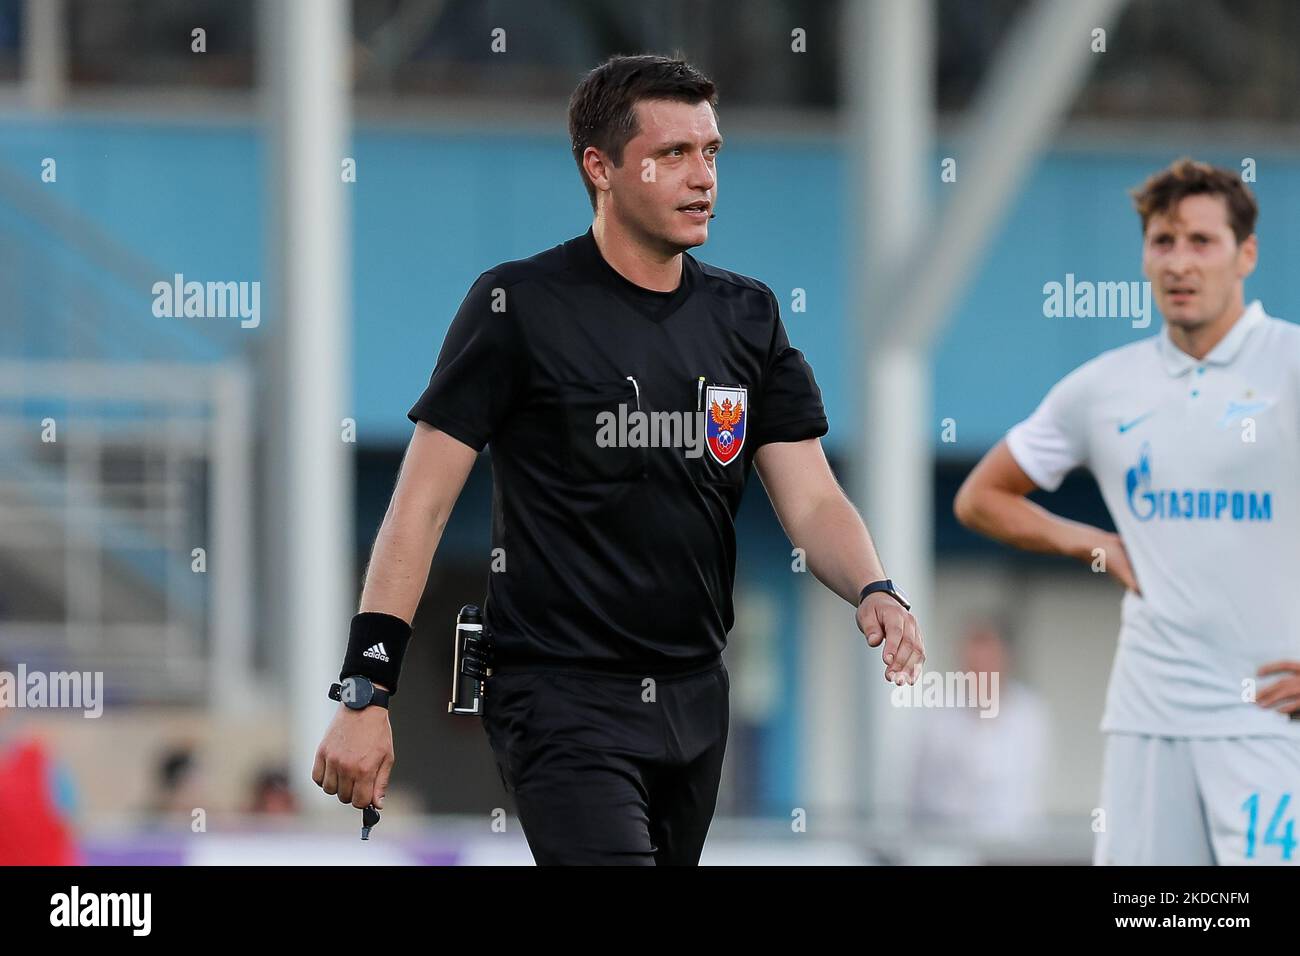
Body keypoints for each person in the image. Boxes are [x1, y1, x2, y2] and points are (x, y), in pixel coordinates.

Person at [313, 53, 925, 865]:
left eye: (710, 152)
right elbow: (416, 511)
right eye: (672, 154)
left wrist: (874, 586)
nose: (701, 175)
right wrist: (366, 689)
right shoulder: (516, 307)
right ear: (599, 168)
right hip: (557, 692)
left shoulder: (747, 316)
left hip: (698, 694)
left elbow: (811, 500)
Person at [955, 158, 1300, 865]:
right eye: (1162, 242)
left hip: (1269, 721)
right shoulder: (1105, 388)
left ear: (1247, 255)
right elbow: (981, 498)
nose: (1179, 262)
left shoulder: (1290, 365)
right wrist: (1097, 546)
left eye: (1201, 242)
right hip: (1148, 716)